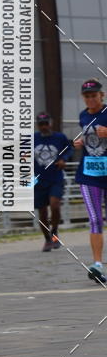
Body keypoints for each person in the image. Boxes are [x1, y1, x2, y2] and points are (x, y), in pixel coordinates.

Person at [73, 78, 107, 284]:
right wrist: (80, 143)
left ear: (101, 95)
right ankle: (97, 265)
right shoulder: (83, 116)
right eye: (87, 96)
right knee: (95, 219)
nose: (91, 99)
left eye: (94, 95)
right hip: (88, 174)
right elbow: (89, 140)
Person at [33, 112, 72, 251]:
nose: (44, 127)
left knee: (55, 205)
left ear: (51, 123)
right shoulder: (32, 139)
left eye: (46, 123)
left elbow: (69, 149)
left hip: (55, 178)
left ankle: (54, 232)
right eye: (41, 124)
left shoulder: (59, 137)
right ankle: (47, 239)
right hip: (38, 180)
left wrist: (63, 159)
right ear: (38, 125)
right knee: (42, 212)